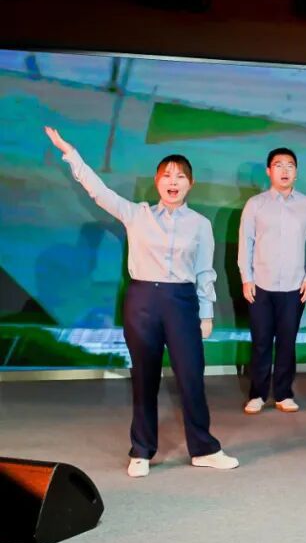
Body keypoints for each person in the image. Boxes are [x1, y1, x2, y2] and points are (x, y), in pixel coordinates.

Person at [44, 126, 238, 477]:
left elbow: (205, 271)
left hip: (182, 302)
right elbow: (98, 192)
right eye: (167, 175)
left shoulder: (200, 224)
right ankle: (142, 451)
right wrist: (70, 154)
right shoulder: (137, 214)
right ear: (157, 181)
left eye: (180, 176)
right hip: (143, 301)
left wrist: (206, 313)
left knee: (191, 377)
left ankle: (204, 449)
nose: (173, 181)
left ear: (190, 184)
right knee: (144, 378)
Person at [238, 147, 306, 414]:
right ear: (268, 171)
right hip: (260, 285)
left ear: (296, 172)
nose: (284, 170)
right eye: (278, 165)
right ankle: (257, 394)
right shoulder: (255, 204)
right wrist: (246, 278)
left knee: (287, 342)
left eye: (290, 165)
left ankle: (284, 394)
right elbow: (245, 243)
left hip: (294, 286)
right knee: (261, 342)